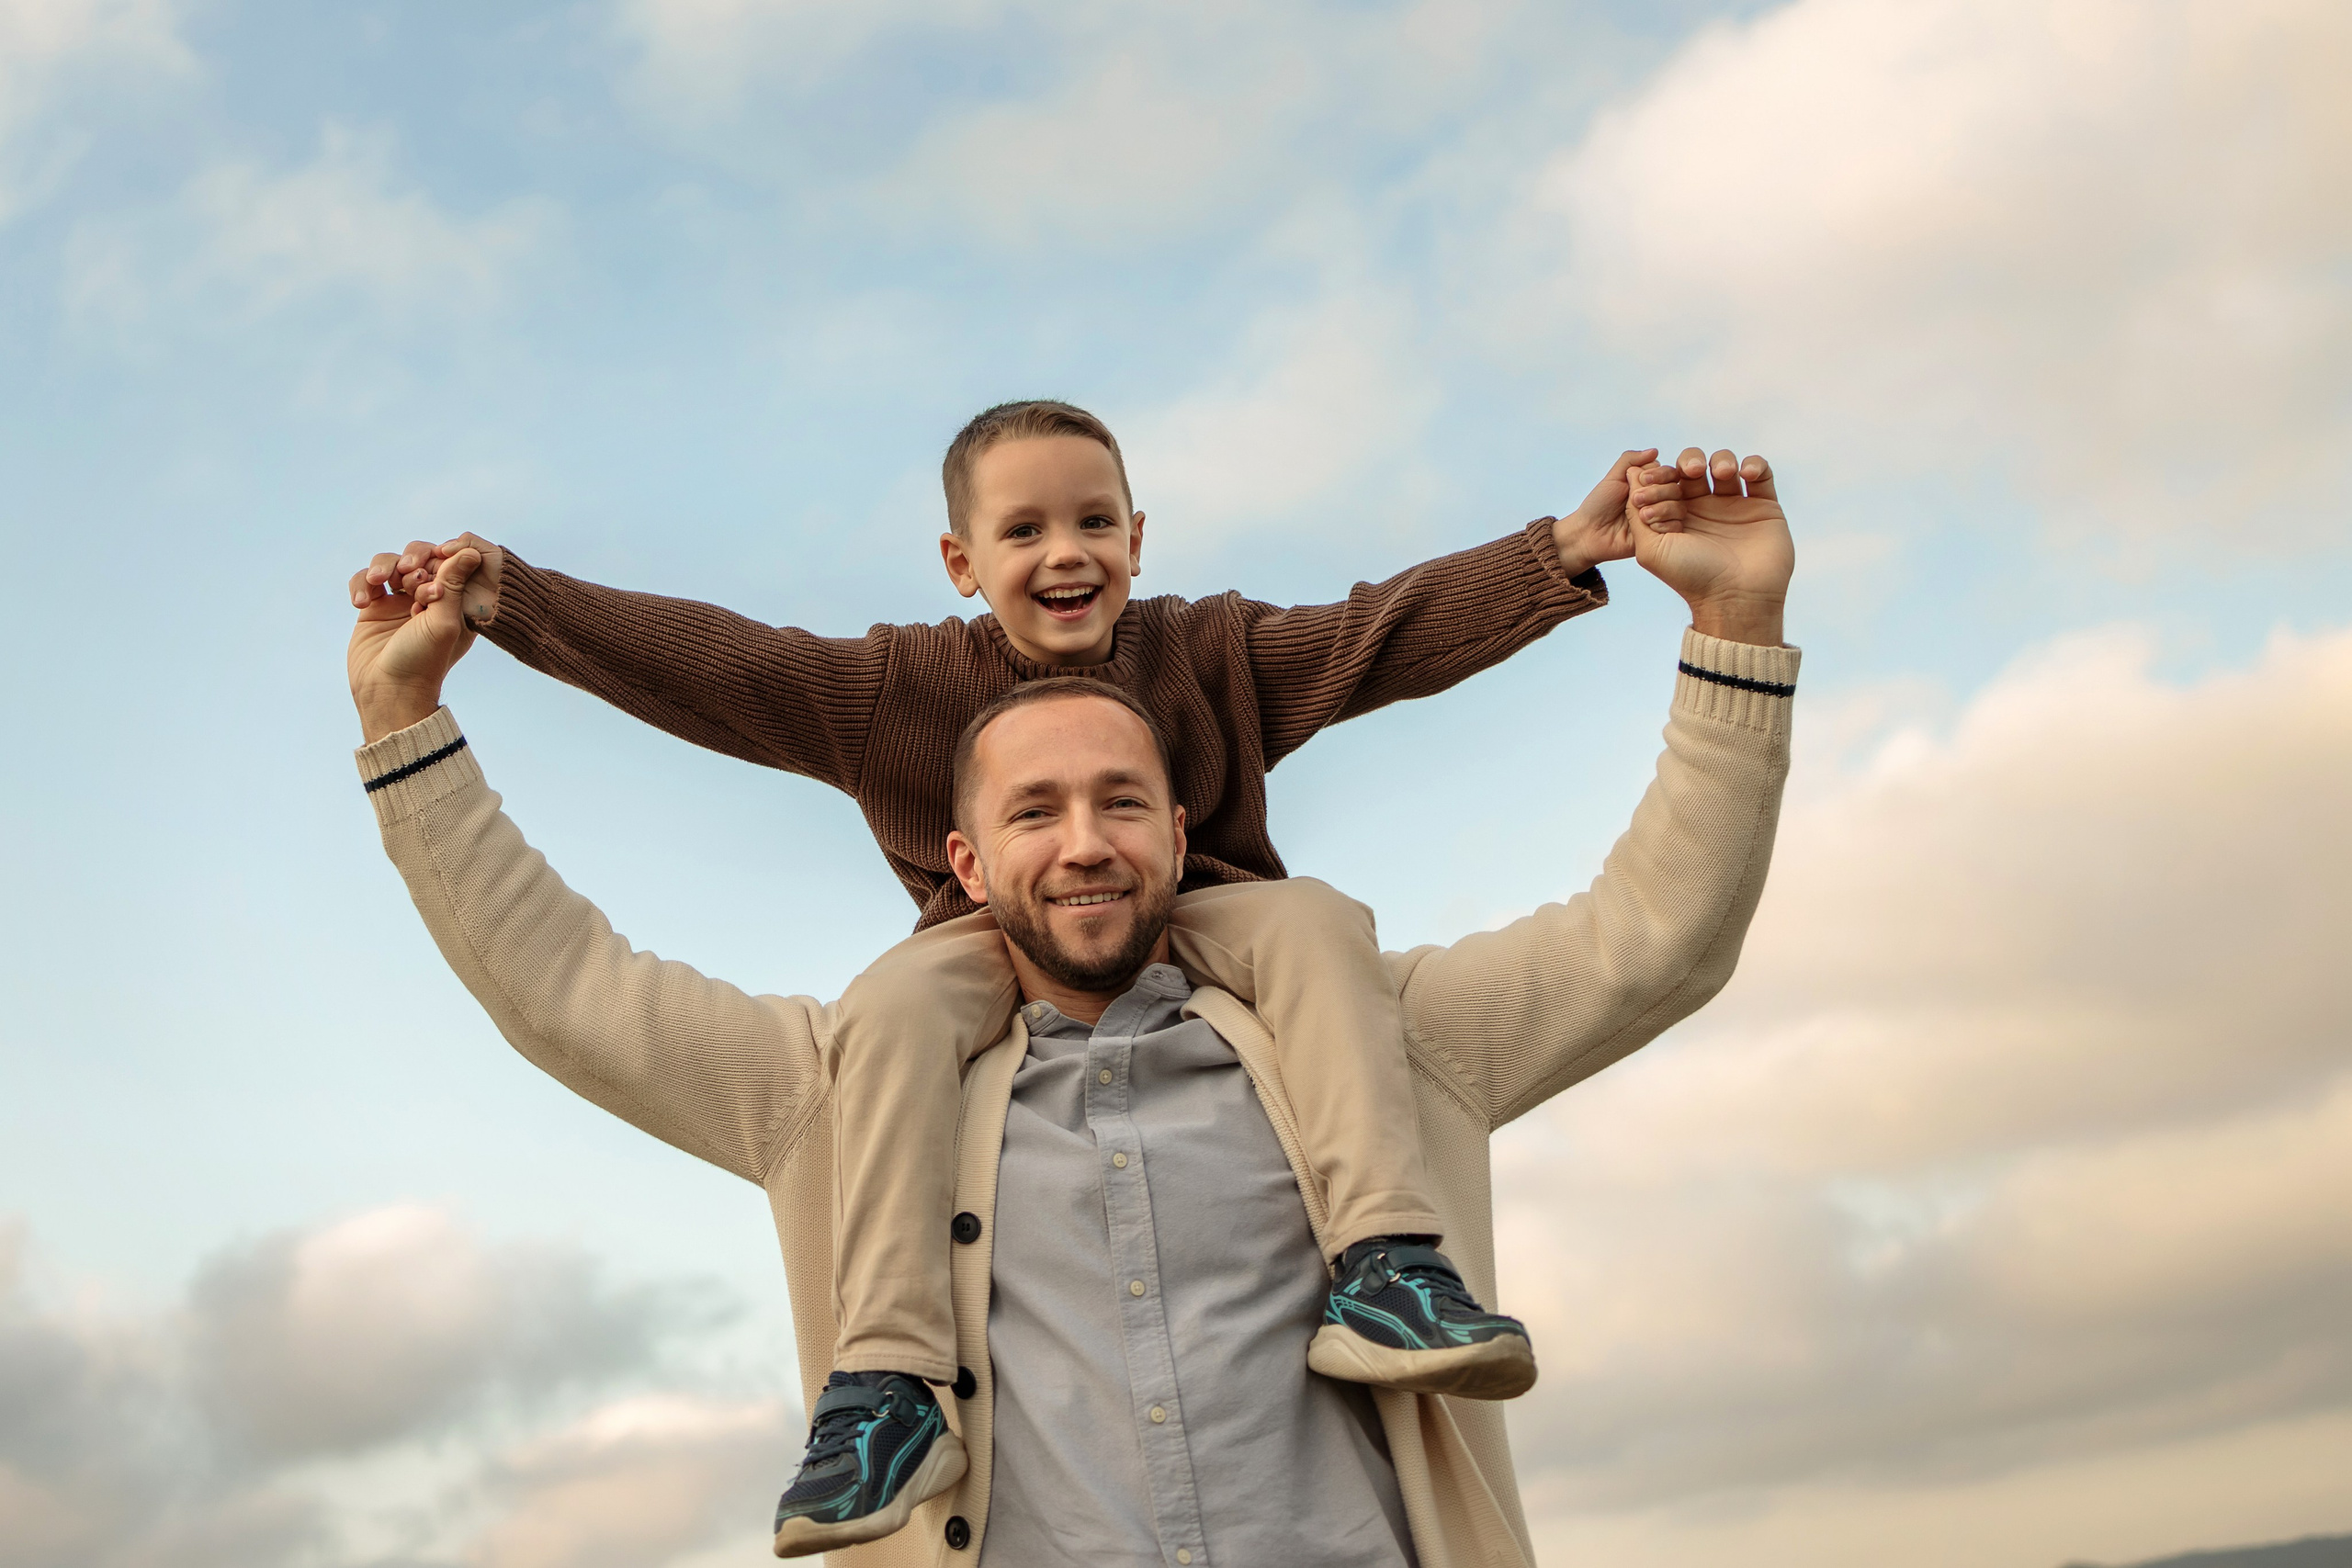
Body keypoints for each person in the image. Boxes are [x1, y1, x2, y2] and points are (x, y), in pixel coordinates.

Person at [347, 445, 1798, 1566]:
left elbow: (1649, 933)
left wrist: (1710, 608)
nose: (1087, 839)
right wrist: (431, 694)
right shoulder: (847, 1079)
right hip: (915, 1025)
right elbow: (575, 977)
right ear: (966, 858)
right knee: (903, 1007)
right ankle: (886, 1386)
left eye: (1122, 802)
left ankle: (1388, 1268)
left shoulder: (1366, 1030)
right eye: (1035, 811)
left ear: (1182, 826)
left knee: (1309, 929)